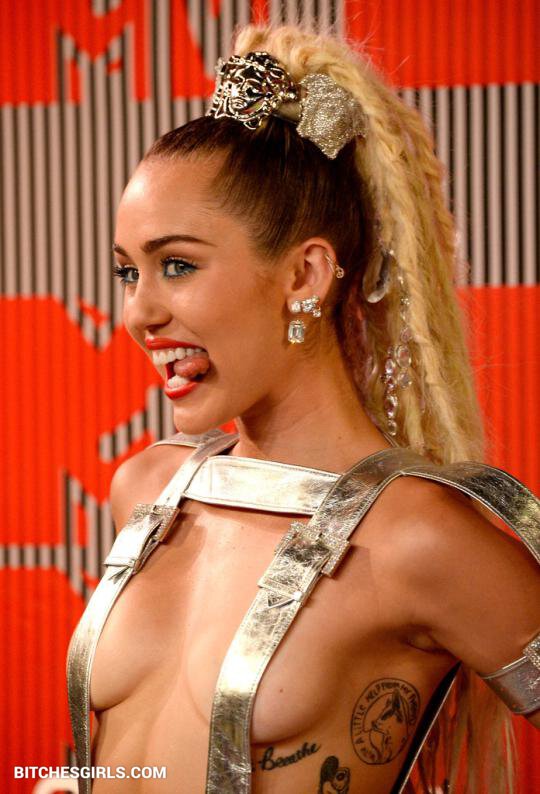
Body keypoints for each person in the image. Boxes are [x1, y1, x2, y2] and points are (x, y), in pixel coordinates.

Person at [67, 23, 540, 794]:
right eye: (129, 272)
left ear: (305, 276)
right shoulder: (147, 490)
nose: (138, 314)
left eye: (177, 265)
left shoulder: (417, 540)